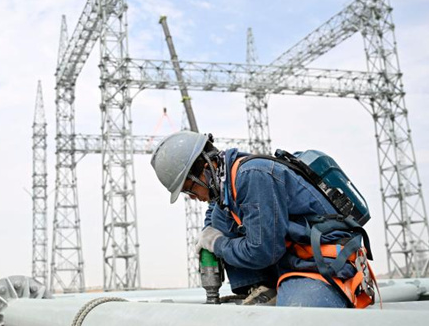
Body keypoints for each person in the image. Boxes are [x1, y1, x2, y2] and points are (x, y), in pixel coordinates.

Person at [150, 130, 376, 308]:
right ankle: (261, 289)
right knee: (219, 217)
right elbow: (215, 214)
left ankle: (272, 291)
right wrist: (208, 234)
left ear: (204, 170)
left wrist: (217, 244)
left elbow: (261, 251)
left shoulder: (253, 176)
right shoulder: (228, 185)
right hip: (293, 263)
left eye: (190, 190)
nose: (193, 198)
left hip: (324, 267)